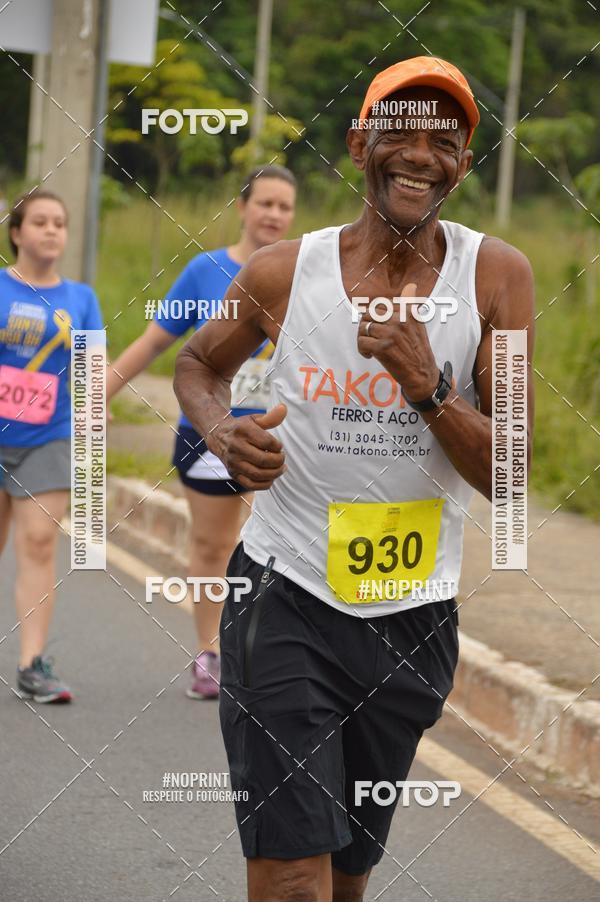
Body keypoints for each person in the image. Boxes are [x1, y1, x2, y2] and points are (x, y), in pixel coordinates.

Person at [174, 56, 535, 901]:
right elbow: (198, 364)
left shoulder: (497, 279)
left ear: (463, 164)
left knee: (345, 875)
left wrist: (430, 386)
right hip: (284, 596)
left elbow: (512, 470)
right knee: (292, 872)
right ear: (357, 144)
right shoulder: (280, 272)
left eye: (444, 140)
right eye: (399, 134)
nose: (421, 154)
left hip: (413, 616)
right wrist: (222, 433)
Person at [106, 165, 296, 699]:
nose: (274, 215)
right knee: (213, 545)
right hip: (208, 434)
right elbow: (153, 343)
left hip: (283, 439)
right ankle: (210, 653)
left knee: (282, 550)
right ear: (241, 207)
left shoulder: (303, 273)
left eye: (284, 207)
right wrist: (100, 395)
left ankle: (269, 655)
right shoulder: (204, 270)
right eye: (265, 204)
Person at [0, 189, 104, 703]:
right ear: (16, 232)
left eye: (59, 223)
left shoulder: (81, 299)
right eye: (39, 222)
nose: (50, 230)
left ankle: (32, 664)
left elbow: (90, 371)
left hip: (50, 436)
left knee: (39, 544)